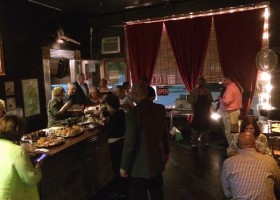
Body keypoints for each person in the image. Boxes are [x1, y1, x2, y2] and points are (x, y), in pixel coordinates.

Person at [120, 81, 169, 200]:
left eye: (132, 94)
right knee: (158, 195)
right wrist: (166, 153)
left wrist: (124, 166)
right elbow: (165, 134)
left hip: (139, 166)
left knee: (139, 196)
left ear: (136, 94)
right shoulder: (160, 109)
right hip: (156, 161)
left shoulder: (133, 113)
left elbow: (130, 143)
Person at [221, 131, 280, 200]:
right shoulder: (270, 161)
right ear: (255, 144)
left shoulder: (228, 163)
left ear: (237, 145)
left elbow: (227, 193)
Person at [0, 114, 42, 200]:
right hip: (15, 195)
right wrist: (38, 166)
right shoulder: (18, 151)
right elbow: (31, 178)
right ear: (18, 130)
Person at [102, 94, 127, 198]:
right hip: (122, 141)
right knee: (121, 165)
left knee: (116, 167)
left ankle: (121, 191)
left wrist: (103, 123)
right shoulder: (120, 112)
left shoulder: (114, 115)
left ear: (109, 104)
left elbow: (111, 132)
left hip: (115, 143)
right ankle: (125, 187)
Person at [188, 76, 213, 148]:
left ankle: (204, 143)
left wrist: (211, 112)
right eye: (199, 82)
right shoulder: (194, 91)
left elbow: (210, 102)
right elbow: (191, 103)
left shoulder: (207, 91)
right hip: (197, 113)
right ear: (197, 83)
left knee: (206, 129)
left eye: (202, 82)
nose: (201, 83)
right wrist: (194, 112)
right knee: (196, 129)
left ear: (205, 83)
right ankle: (194, 143)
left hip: (206, 114)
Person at [218, 75, 242, 145]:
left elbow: (226, 101)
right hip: (236, 111)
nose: (223, 82)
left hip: (230, 113)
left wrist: (220, 99)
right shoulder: (236, 87)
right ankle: (235, 147)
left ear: (229, 80)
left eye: (224, 80)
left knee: (229, 132)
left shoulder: (230, 88)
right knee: (234, 131)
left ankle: (231, 149)